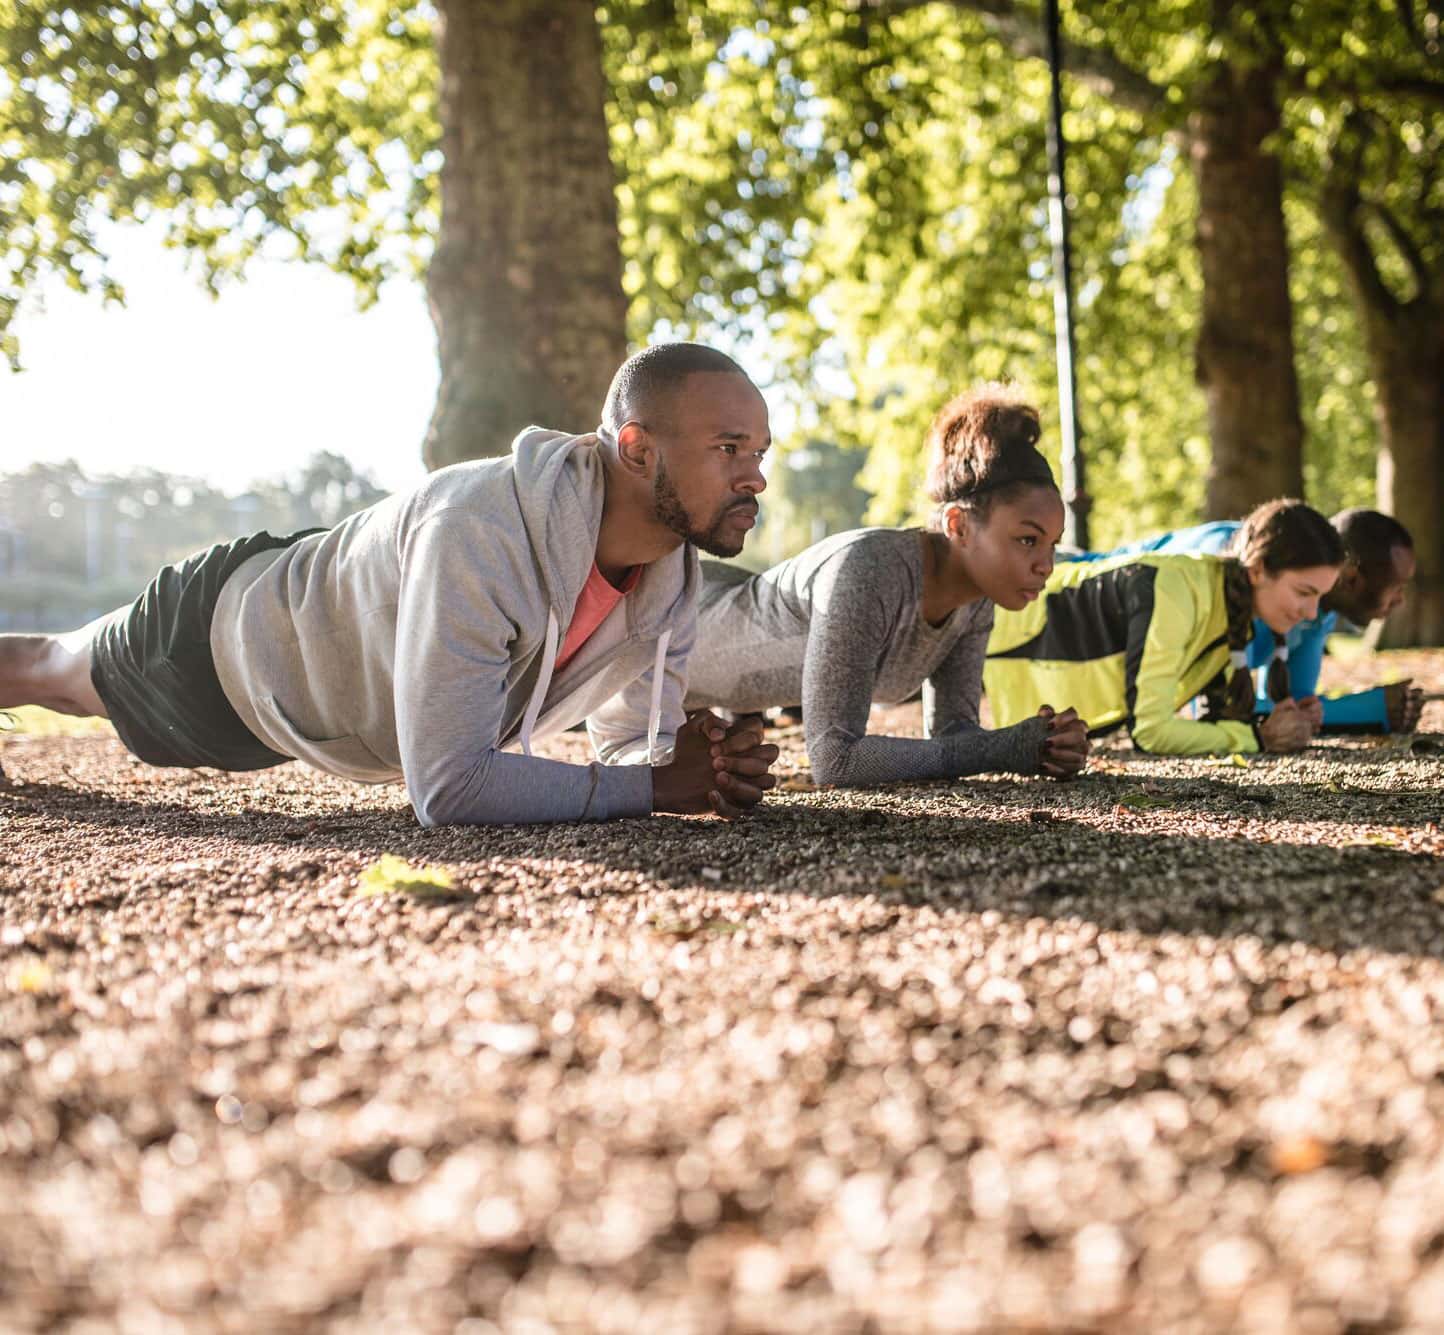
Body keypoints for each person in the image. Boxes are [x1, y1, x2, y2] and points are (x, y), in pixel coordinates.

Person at [0, 343, 781, 823]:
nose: (756, 478)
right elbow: (447, 789)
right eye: (729, 448)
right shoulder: (481, 531)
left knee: (54, 670)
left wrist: (695, 760)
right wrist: (653, 791)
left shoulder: (672, 572)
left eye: (760, 453)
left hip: (329, 641)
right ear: (638, 449)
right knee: (53, 670)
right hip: (224, 641)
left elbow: (625, 745)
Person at [683, 384, 1091, 787]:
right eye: (1027, 540)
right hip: (674, 624)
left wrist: (1040, 745)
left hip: (718, 675)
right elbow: (836, 759)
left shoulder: (977, 601)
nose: (1046, 565)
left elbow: (953, 733)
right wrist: (1002, 750)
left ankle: (738, 715)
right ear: (958, 525)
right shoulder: (870, 570)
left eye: (1052, 544)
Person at [985, 498, 1347, 756]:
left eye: (1320, 597)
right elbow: (1152, 731)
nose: (1312, 613)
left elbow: (1206, 723)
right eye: (1304, 592)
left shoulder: (1232, 608)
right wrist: (1257, 737)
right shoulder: (1178, 591)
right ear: (1258, 570)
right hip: (991, 627)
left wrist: (1278, 723)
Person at [1059, 509, 1422, 733]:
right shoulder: (1229, 568)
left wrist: (1367, 712)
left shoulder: (1313, 614)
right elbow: (1209, 708)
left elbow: (1281, 707)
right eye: (1396, 587)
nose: (1401, 601)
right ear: (1353, 578)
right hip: (1065, 582)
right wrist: (1367, 708)